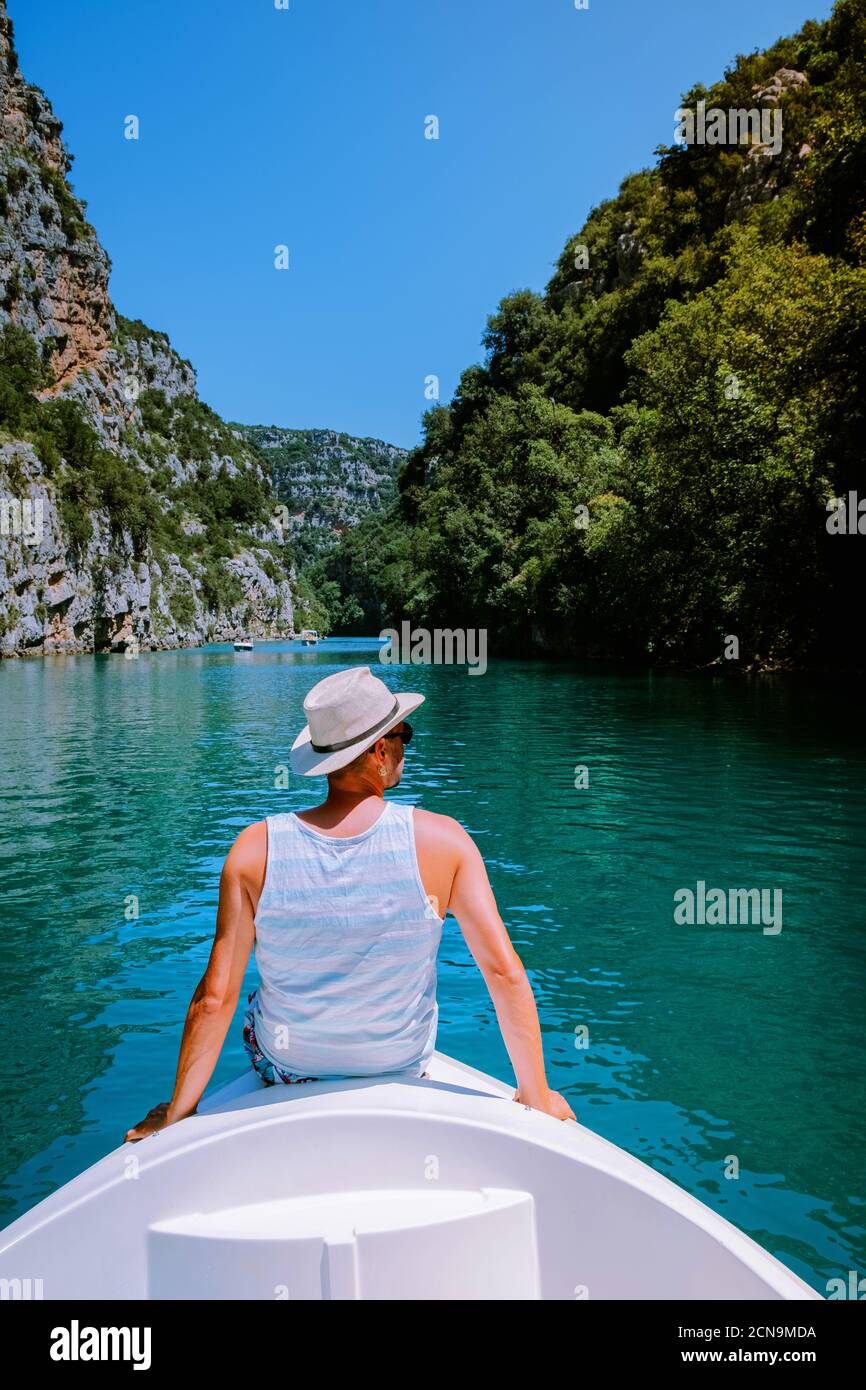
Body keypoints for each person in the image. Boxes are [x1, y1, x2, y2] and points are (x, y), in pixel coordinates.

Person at [126, 665, 575, 1140]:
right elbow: (502, 974)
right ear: (380, 751)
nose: (407, 748)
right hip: (400, 1064)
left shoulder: (254, 850)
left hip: (289, 1067)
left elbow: (215, 998)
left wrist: (177, 1112)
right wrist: (537, 1095)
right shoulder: (445, 842)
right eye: (404, 736)